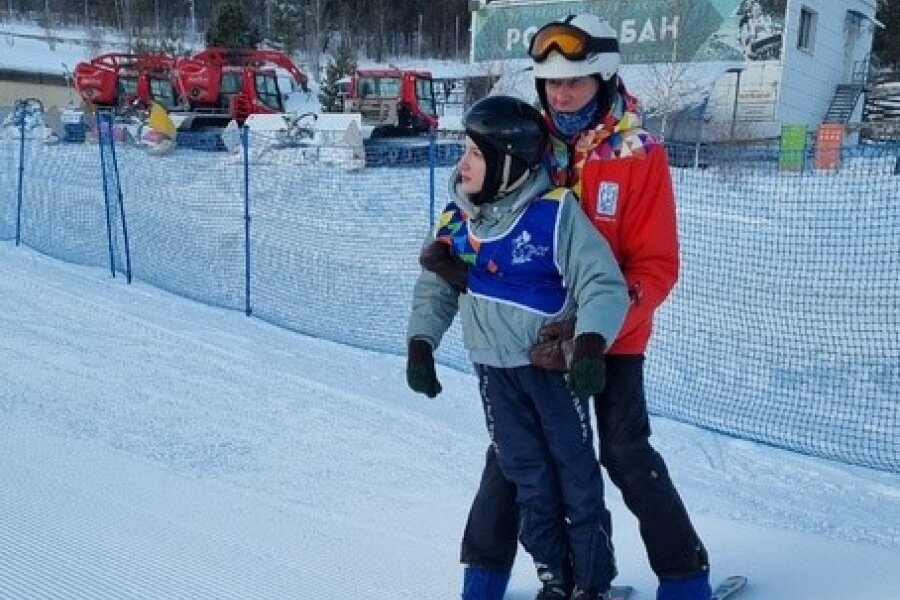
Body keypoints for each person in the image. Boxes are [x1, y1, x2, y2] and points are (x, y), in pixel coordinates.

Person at [457, 14, 712, 600]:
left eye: (574, 79)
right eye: (549, 82)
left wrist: (595, 328)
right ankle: (483, 580)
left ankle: (685, 577)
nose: (561, 93)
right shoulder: (527, 142)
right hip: (535, 339)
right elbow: (483, 213)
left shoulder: (637, 153)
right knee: (513, 460)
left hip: (612, 337)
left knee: (624, 452)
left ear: (604, 75)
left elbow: (655, 265)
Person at [406, 95, 630, 600]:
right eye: (463, 151)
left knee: (576, 478)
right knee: (528, 480)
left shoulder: (553, 215)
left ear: (507, 165)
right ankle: (554, 577)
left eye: (475, 155)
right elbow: (435, 287)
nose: (462, 164)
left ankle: (590, 584)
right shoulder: (458, 219)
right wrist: (421, 343)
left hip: (549, 371)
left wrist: (591, 343)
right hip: (495, 373)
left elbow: (601, 282)